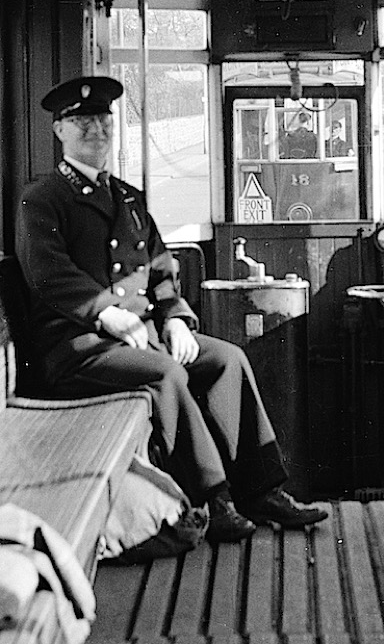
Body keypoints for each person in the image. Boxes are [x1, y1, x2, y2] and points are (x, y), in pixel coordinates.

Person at [15, 76, 328, 544]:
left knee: (227, 359)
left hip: (141, 335)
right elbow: (46, 272)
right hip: (78, 346)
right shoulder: (42, 198)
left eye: (102, 121)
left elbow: (161, 269)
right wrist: (107, 313)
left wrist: (176, 318)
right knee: (167, 375)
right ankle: (212, 499)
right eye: (82, 122)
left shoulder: (126, 197)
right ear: (59, 131)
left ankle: (262, 491)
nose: (96, 131)